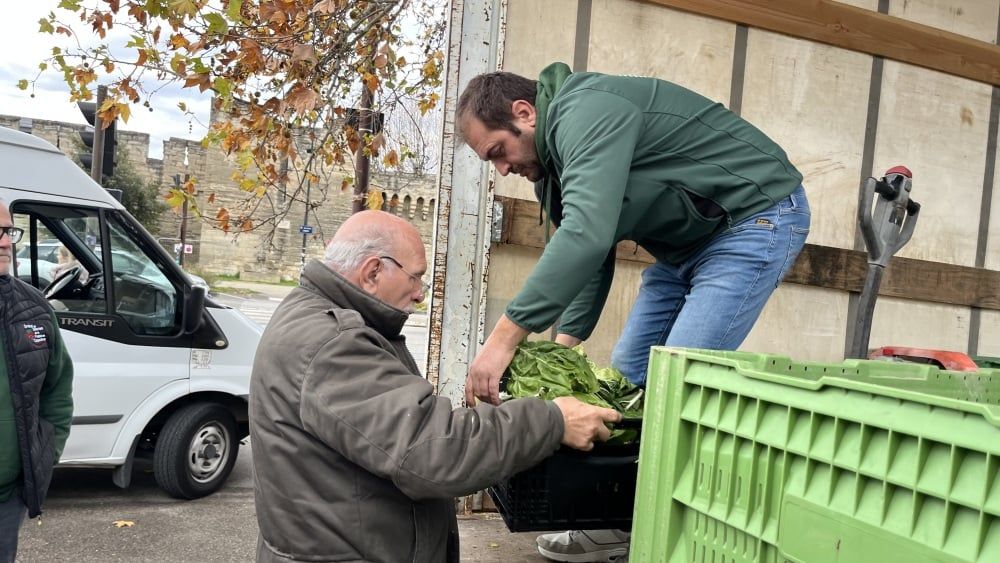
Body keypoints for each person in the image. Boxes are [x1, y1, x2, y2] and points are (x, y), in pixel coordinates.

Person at [457, 62, 810, 561]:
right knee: (626, 380)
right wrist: (560, 357)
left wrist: (502, 342)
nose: (501, 169)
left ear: (524, 113)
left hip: (754, 216)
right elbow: (592, 257)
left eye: (498, 152)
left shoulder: (587, 111)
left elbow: (586, 235)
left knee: (678, 384)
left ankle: (666, 536)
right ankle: (615, 524)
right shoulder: (551, 175)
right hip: (684, 247)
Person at [249, 210, 621, 562]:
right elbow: (430, 451)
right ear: (373, 271)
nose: (420, 293)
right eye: (416, 277)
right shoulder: (333, 343)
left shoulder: (312, 317)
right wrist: (553, 420)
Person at [0, 200, 74, 563]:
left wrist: (46, 451)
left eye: (8, 231)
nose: (5, 242)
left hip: (5, 501)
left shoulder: (34, 309)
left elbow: (57, 389)